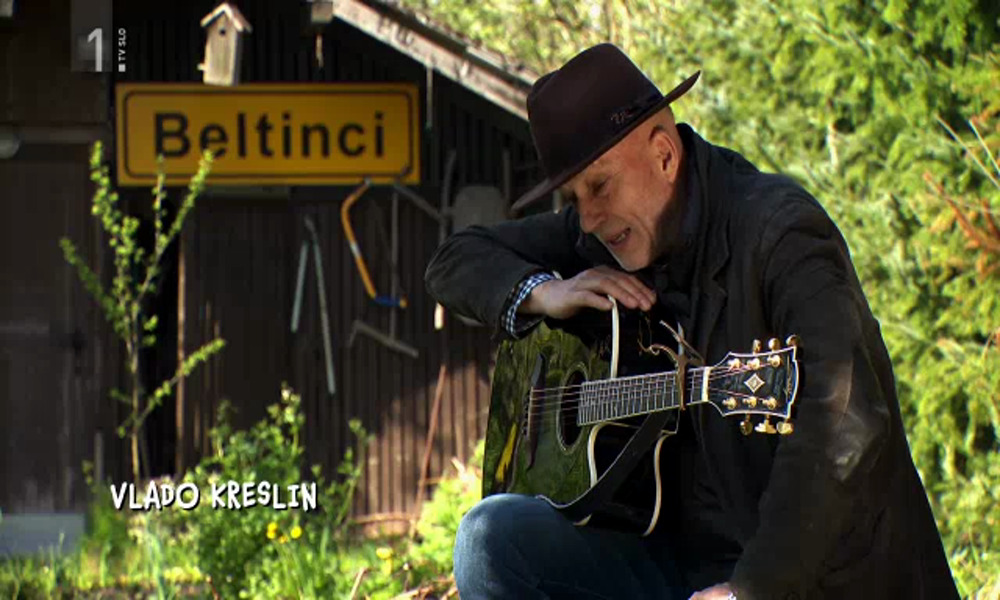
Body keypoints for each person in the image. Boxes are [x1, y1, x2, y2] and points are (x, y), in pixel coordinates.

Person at [424, 43, 958, 600]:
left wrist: (753, 588)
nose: (588, 218)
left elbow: (844, 416)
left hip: (809, 576)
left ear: (663, 154)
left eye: (599, 186)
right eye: (574, 198)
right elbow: (452, 261)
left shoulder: (779, 231)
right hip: (675, 562)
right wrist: (545, 292)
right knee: (490, 541)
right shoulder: (600, 239)